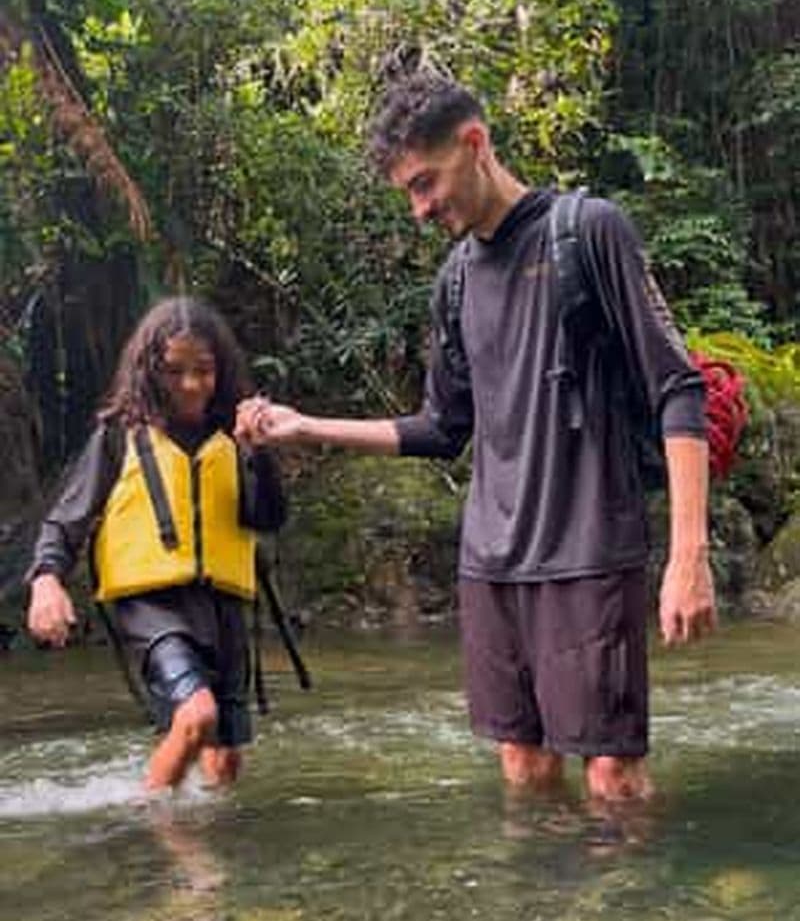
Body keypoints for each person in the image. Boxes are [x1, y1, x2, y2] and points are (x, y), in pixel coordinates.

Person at [236, 72, 716, 802]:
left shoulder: (589, 232)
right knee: (522, 769)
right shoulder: (455, 281)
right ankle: (543, 916)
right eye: (407, 192)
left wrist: (689, 556)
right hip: (490, 563)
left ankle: (637, 913)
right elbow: (440, 428)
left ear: (475, 143)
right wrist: (304, 427)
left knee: (612, 777)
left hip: (587, 552)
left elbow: (678, 389)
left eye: (425, 184)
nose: (419, 209)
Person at [27, 296, 286, 792]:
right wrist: (46, 581)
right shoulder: (118, 435)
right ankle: (155, 826)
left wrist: (259, 454)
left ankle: (200, 861)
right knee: (195, 715)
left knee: (223, 764)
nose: (190, 384)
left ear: (221, 370)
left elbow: (268, 517)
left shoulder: (238, 435)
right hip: (152, 606)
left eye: (204, 370)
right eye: (174, 371)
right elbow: (66, 521)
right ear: (149, 370)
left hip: (225, 608)